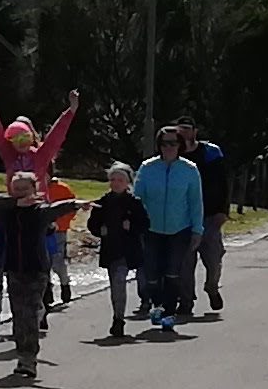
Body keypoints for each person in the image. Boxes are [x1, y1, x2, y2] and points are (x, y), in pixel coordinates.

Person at [134, 123, 206, 332]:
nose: (169, 147)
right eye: (165, 143)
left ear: (180, 145)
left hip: (179, 229)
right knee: (152, 275)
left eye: (173, 143)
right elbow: (138, 199)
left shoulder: (189, 170)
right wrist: (135, 224)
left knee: (173, 273)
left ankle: (168, 315)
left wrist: (197, 230)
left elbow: (195, 202)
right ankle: (157, 305)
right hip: (151, 229)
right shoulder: (147, 168)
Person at [0, 165, 60, 383]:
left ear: (34, 188)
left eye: (25, 188)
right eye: (16, 189)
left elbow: (58, 209)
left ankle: (28, 359)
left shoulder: (40, 211)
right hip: (14, 268)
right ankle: (22, 354)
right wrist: (15, 203)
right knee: (18, 314)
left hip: (36, 269)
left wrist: (76, 204)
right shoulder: (7, 211)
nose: (21, 192)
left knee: (29, 314)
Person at [86, 161, 149, 345]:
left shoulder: (134, 203)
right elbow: (92, 224)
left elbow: (145, 224)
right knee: (117, 283)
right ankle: (118, 318)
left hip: (131, 250)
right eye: (112, 179)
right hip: (112, 250)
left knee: (134, 279)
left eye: (120, 180)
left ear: (128, 182)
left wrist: (132, 226)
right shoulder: (102, 202)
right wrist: (100, 230)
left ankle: (144, 302)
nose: (116, 183)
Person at [192, 133, 233, 315]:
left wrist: (223, 211)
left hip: (210, 216)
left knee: (214, 258)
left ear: (194, 131)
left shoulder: (210, 152)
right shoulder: (173, 152)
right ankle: (185, 300)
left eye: (187, 129)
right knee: (184, 263)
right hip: (184, 218)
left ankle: (212, 287)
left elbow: (224, 184)